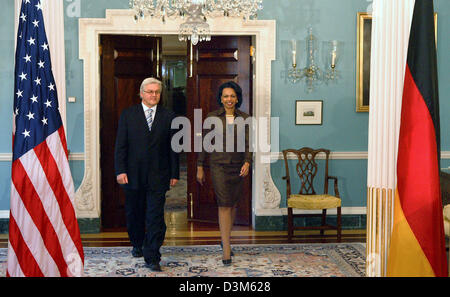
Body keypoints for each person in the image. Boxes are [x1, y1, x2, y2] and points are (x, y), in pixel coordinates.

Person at [114, 77, 179, 272]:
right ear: (141, 94)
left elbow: (173, 148)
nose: (153, 95)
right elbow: (121, 146)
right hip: (132, 174)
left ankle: (152, 256)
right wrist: (120, 170)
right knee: (135, 212)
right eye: (149, 92)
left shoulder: (169, 116)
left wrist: (174, 173)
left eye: (156, 92)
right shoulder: (128, 115)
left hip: (159, 175)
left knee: (155, 215)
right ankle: (137, 243)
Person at [196, 81, 252, 266]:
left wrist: (247, 161)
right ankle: (226, 248)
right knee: (224, 204)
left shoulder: (245, 117)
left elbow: (248, 144)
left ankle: (225, 239)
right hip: (218, 166)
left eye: (232, 96)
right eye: (225, 96)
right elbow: (205, 143)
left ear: (237, 99)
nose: (229, 99)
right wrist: (200, 166)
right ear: (221, 98)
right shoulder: (212, 117)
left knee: (233, 203)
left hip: (238, 167)